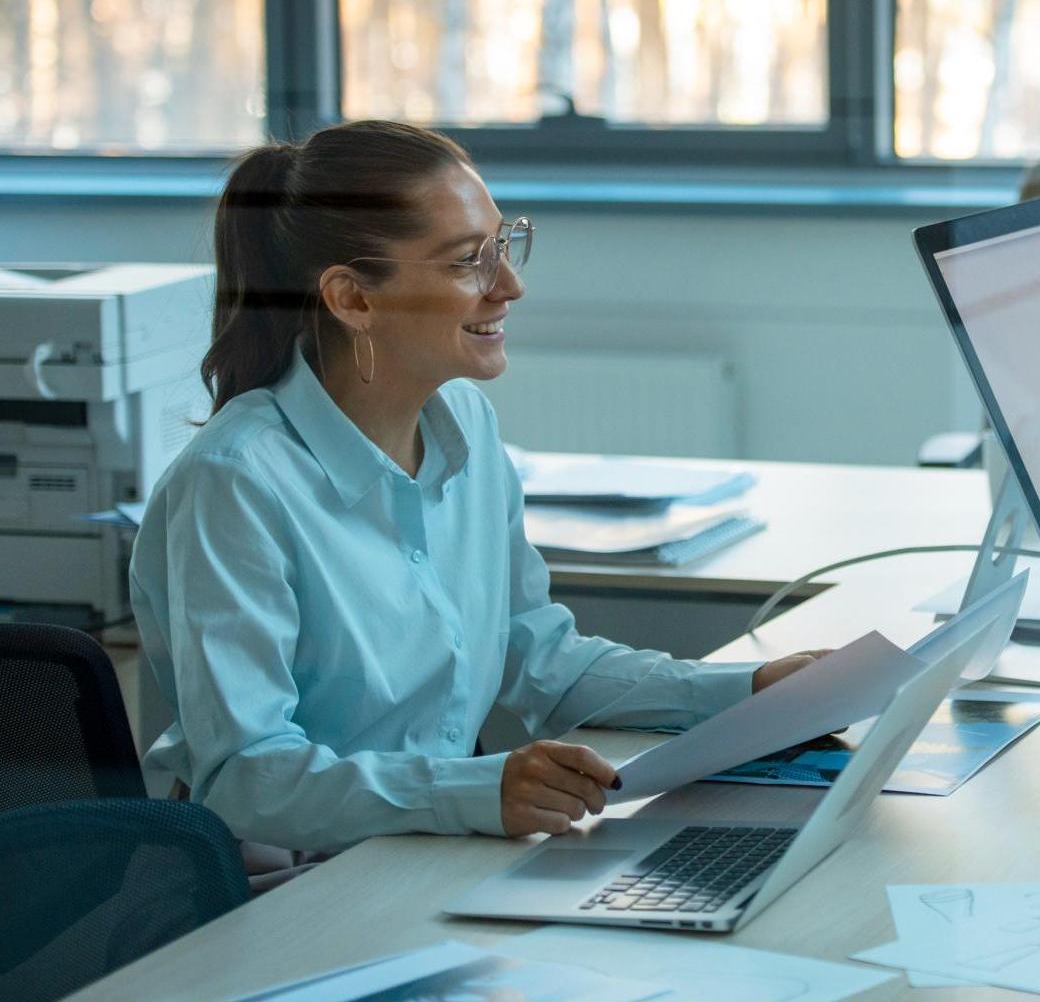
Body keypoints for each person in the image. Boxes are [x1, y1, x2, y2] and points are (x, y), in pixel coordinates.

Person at [132, 120, 825, 885]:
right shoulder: (235, 483)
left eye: (504, 244)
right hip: (275, 888)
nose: (510, 285)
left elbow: (542, 661)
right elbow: (247, 778)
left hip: (424, 852)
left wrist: (750, 693)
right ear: (352, 298)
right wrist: (480, 790)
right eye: (469, 261)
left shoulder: (465, 426)